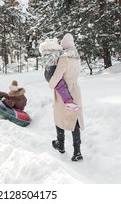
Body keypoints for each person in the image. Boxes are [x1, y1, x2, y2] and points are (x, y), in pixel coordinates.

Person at [48, 33, 84, 162]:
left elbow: (57, 76)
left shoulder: (64, 58)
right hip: (75, 89)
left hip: (64, 92)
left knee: (59, 117)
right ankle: (77, 151)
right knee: (74, 120)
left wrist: (51, 84)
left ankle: (61, 144)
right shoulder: (77, 57)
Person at [39, 38, 80, 111]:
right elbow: (67, 53)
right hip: (51, 71)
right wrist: (73, 52)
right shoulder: (56, 53)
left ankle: (67, 101)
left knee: (60, 86)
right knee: (61, 86)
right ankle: (68, 102)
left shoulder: (46, 53)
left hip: (47, 72)